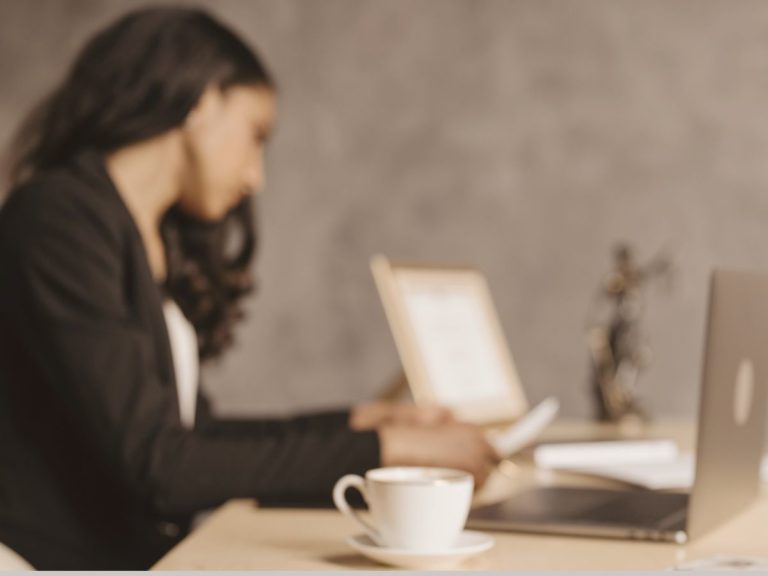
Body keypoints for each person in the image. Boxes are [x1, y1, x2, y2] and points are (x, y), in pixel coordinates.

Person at [0, 7, 499, 570]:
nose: (255, 175)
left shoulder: (141, 233)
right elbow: (159, 465)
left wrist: (361, 423)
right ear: (201, 102)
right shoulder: (58, 221)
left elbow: (193, 434)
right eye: (256, 135)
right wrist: (384, 452)